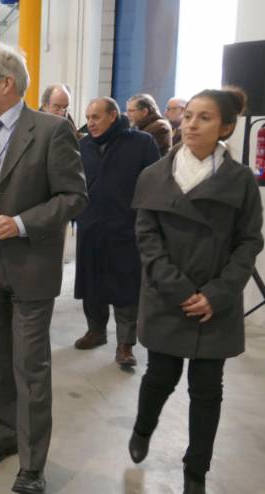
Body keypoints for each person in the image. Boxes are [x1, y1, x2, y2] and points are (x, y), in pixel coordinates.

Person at [0, 43, 88, 494]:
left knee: (30, 367)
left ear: (7, 83)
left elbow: (74, 197)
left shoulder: (51, 131)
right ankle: (1, 435)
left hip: (30, 265)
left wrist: (24, 222)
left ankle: (32, 464)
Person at [128, 87, 263, 494]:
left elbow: (249, 241)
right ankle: (143, 428)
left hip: (214, 304)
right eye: (188, 116)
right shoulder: (154, 175)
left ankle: (195, 472)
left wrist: (217, 294)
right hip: (167, 295)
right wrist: (180, 290)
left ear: (226, 127)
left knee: (207, 389)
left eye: (204, 118)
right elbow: (147, 238)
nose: (191, 125)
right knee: (160, 376)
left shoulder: (240, 180)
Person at [73, 97, 160, 367]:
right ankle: (96, 331)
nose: (91, 123)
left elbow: (155, 185)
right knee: (92, 284)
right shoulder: (83, 146)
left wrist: (146, 222)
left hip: (127, 228)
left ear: (113, 115)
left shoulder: (141, 143)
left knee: (126, 288)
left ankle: (125, 344)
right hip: (91, 227)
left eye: (96, 117)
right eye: (88, 117)